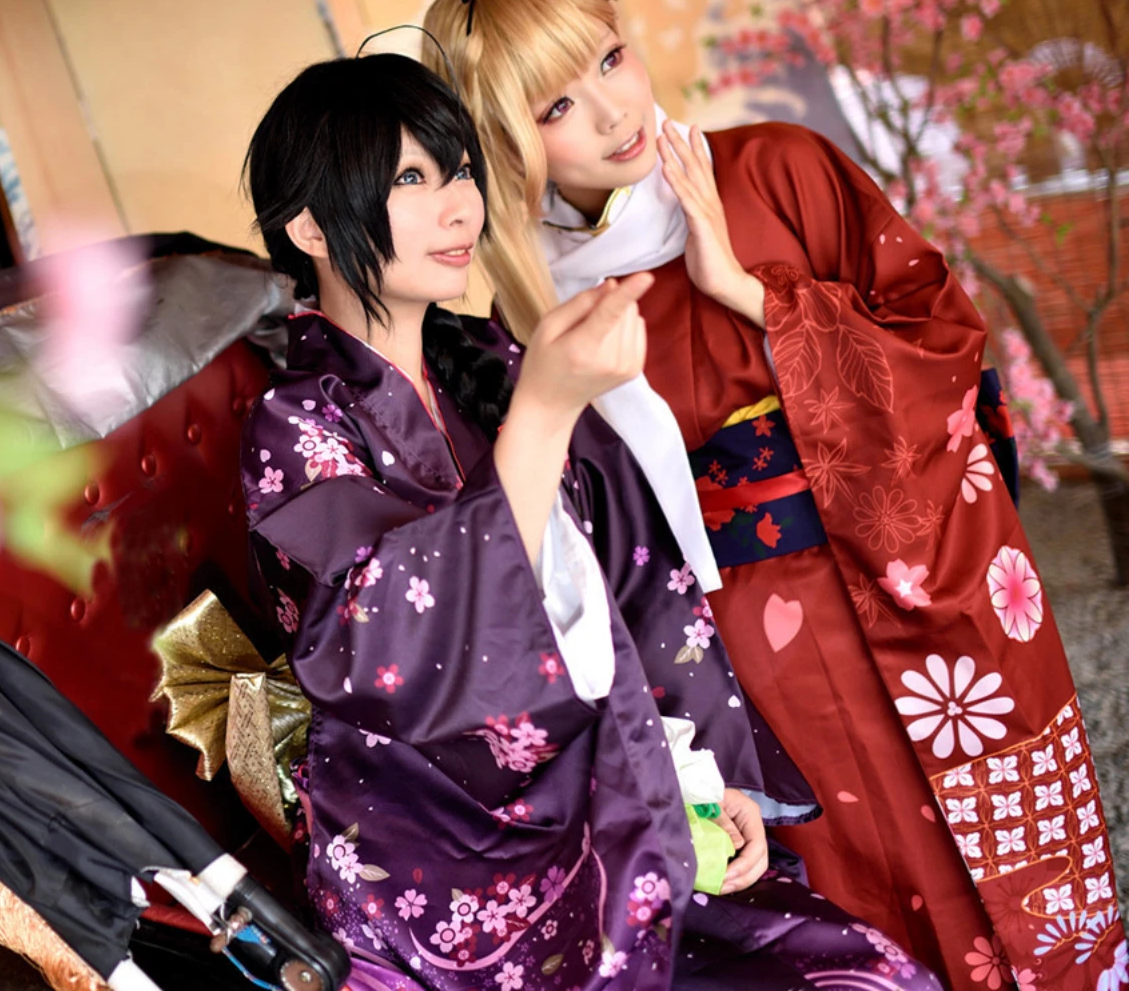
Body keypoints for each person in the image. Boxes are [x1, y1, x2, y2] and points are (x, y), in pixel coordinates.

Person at [422, 0, 1125, 991]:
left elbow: (944, 349)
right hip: (741, 638)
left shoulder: (779, 170)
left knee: (1008, 866)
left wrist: (755, 295)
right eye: (557, 106)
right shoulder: (529, 305)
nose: (614, 111)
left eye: (612, 58)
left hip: (913, 576)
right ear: (503, 140)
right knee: (853, 894)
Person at [239, 52, 941, 991]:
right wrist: (540, 416)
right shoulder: (297, 425)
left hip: (619, 788)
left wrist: (708, 772)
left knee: (867, 974)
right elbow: (384, 644)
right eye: (410, 178)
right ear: (312, 227)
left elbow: (640, 574)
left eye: (458, 170)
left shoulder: (487, 361)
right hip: (450, 855)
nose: (458, 206)